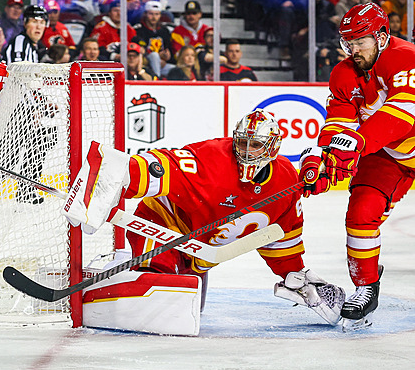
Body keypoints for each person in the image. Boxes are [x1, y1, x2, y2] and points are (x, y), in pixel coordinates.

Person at [61, 109, 346, 333]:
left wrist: (293, 274)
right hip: (164, 227)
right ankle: (130, 270)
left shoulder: (285, 182)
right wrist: (119, 175)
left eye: (256, 145)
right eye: (242, 142)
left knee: (186, 306)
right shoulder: (212, 157)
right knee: (162, 290)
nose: (246, 151)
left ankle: (133, 269)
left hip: (201, 257)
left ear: (272, 149)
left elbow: (280, 235)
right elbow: (164, 165)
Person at [298, 3, 415, 330]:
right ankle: (366, 286)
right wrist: (325, 160)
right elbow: (337, 124)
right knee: (361, 213)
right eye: (348, 42)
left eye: (360, 41)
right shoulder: (342, 74)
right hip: (390, 157)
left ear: (381, 36)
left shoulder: (406, 57)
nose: (352, 49)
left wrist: (359, 143)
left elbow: (402, 116)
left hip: (393, 142)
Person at [0, 5, 55, 204]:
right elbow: (18, 80)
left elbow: (30, 82)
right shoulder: (21, 43)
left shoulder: (31, 47)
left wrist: (43, 102)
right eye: (34, 21)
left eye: (42, 22)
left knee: (43, 139)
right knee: (9, 156)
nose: (38, 26)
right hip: (12, 108)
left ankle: (26, 189)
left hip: (22, 106)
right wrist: (35, 108)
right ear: (25, 23)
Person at [133, 0, 174, 78]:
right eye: (151, 14)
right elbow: (142, 50)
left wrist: (167, 57)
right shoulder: (139, 30)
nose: (154, 17)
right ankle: (156, 80)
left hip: (161, 65)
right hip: (145, 64)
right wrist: (158, 57)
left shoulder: (164, 31)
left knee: (176, 70)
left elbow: (168, 49)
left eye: (156, 14)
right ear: (145, 14)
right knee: (154, 56)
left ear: (160, 15)